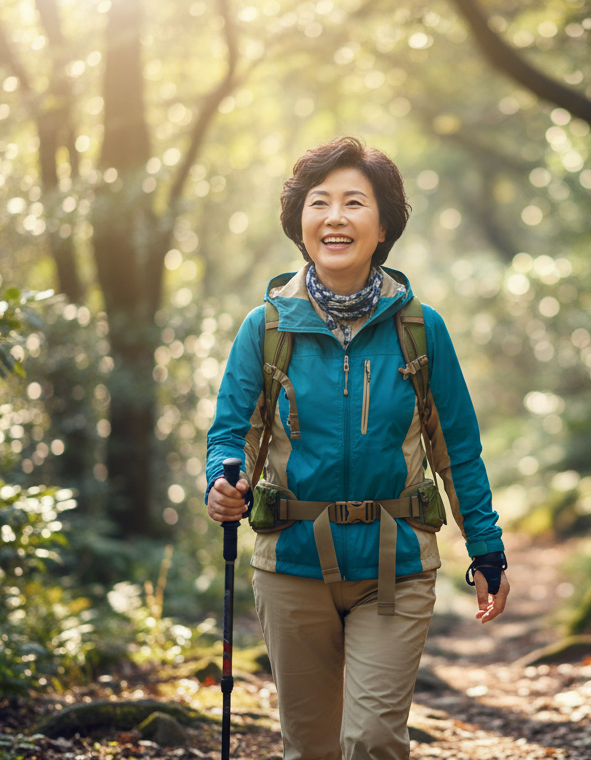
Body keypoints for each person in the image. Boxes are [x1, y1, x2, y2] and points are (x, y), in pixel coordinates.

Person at [205, 136, 509, 760]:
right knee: (310, 747)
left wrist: (487, 548)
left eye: (354, 202)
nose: (334, 217)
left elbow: (457, 449)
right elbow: (230, 432)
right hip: (291, 565)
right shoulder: (266, 328)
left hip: (395, 566)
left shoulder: (419, 328)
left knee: (372, 740)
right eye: (319, 202)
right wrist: (221, 481)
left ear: (383, 225)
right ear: (300, 222)